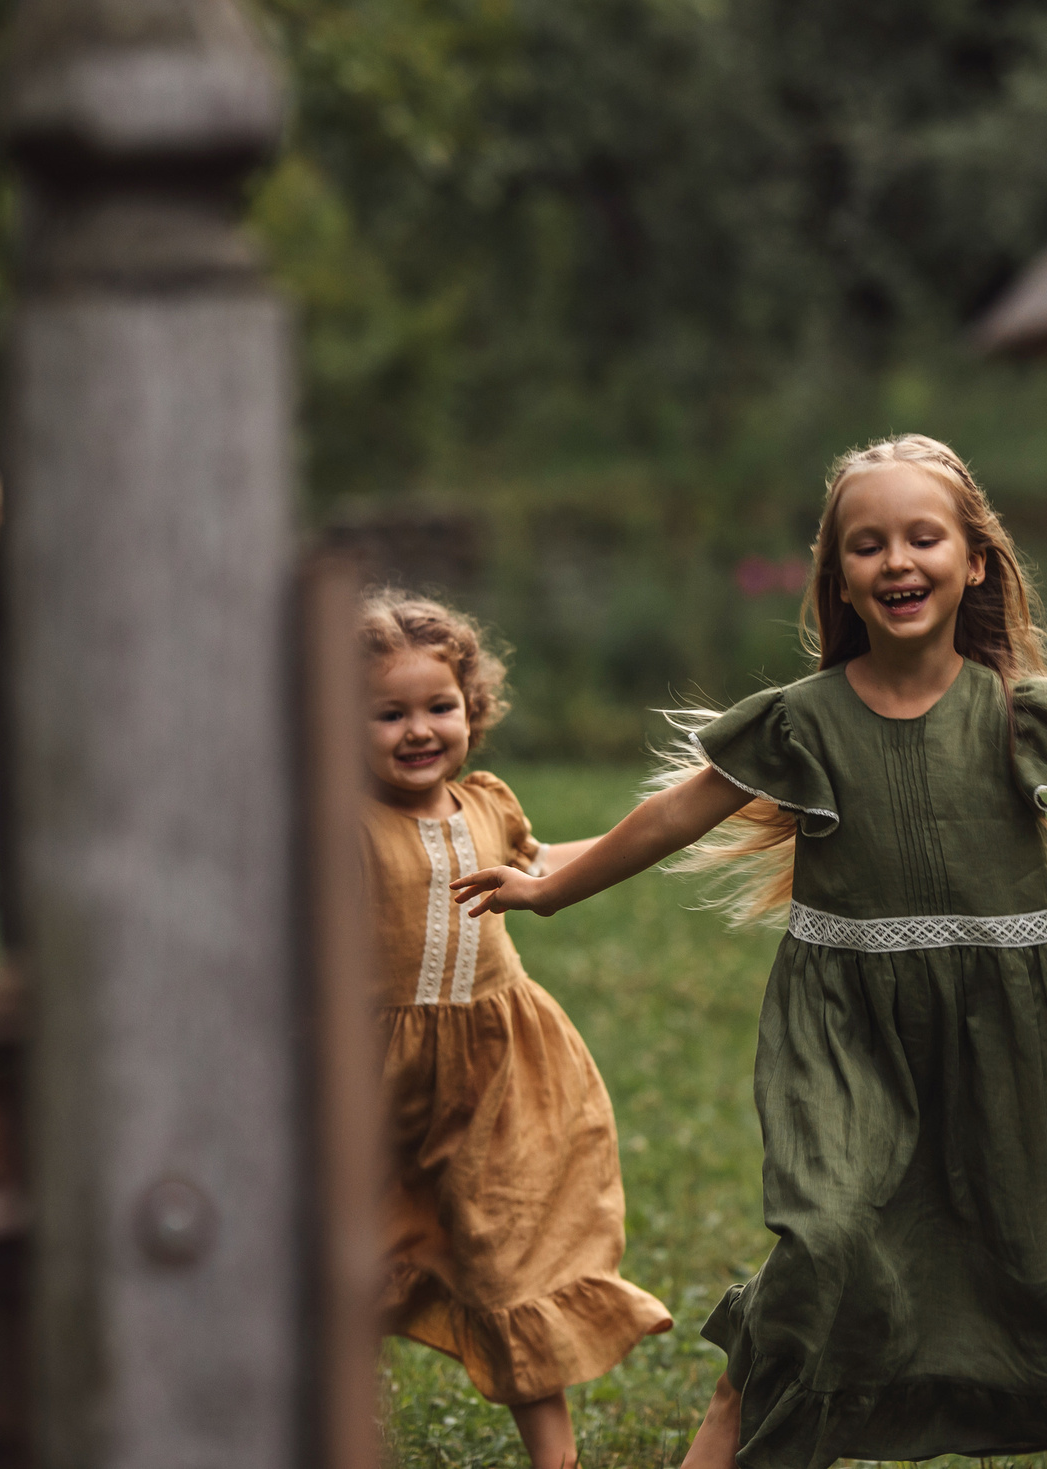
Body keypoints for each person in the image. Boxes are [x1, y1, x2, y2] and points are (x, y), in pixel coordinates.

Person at [448, 437, 1047, 1469]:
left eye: (922, 537)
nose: (897, 560)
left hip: (1014, 1023)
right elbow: (670, 816)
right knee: (828, 1233)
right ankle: (742, 1408)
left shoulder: (1020, 713)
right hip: (845, 1023)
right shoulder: (801, 720)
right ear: (838, 575)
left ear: (974, 560)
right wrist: (549, 886)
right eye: (867, 544)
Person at [358, 590, 672, 1469]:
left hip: (497, 1072)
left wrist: (651, 832)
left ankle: (556, 1459)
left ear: (472, 709)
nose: (419, 729)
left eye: (439, 706)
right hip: (370, 1084)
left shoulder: (488, 804)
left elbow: (542, 867)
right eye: (388, 713)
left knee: (513, 1252)